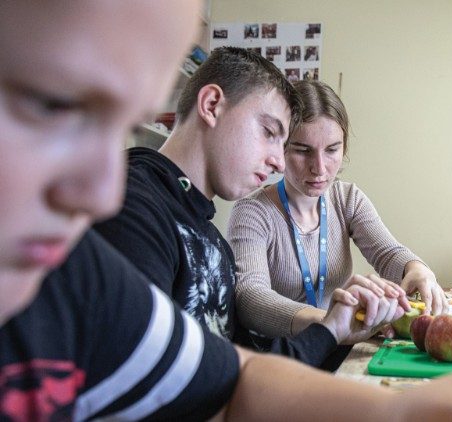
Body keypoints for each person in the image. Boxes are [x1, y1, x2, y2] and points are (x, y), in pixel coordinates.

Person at [0, 1, 452, 419]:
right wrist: (322, 325)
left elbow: (232, 381)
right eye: (52, 105)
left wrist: (398, 409)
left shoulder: (117, 260)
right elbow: (249, 299)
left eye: (123, 123)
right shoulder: (144, 208)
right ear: (211, 105)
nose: (101, 194)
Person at [93, 47, 405, 369]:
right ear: (211, 105)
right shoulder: (131, 204)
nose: (279, 163)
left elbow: (238, 365)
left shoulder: (207, 233)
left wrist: (340, 328)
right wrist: (328, 328)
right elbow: (148, 374)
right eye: (269, 133)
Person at [227, 80, 449, 341]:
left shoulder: (347, 199)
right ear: (280, 147)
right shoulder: (252, 213)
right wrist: (330, 323)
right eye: (302, 150)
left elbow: (388, 254)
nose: (319, 168)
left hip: (338, 345)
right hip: (279, 357)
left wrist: (419, 270)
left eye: (332, 149)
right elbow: (250, 297)